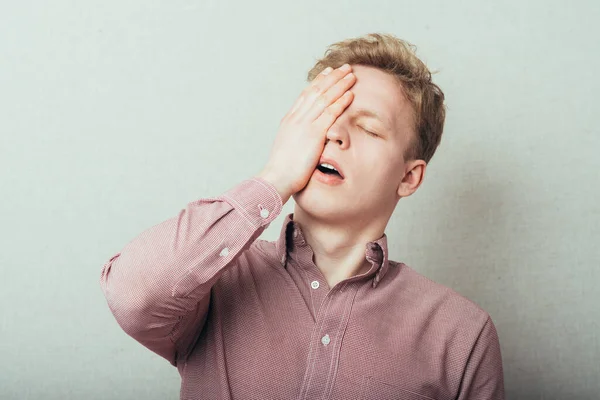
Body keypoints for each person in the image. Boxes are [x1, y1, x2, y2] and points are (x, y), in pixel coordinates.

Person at [99, 32, 505, 399]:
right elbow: (131, 294)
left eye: (368, 127)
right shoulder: (214, 280)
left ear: (409, 176)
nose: (333, 133)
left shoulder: (462, 335)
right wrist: (274, 178)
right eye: (323, 115)